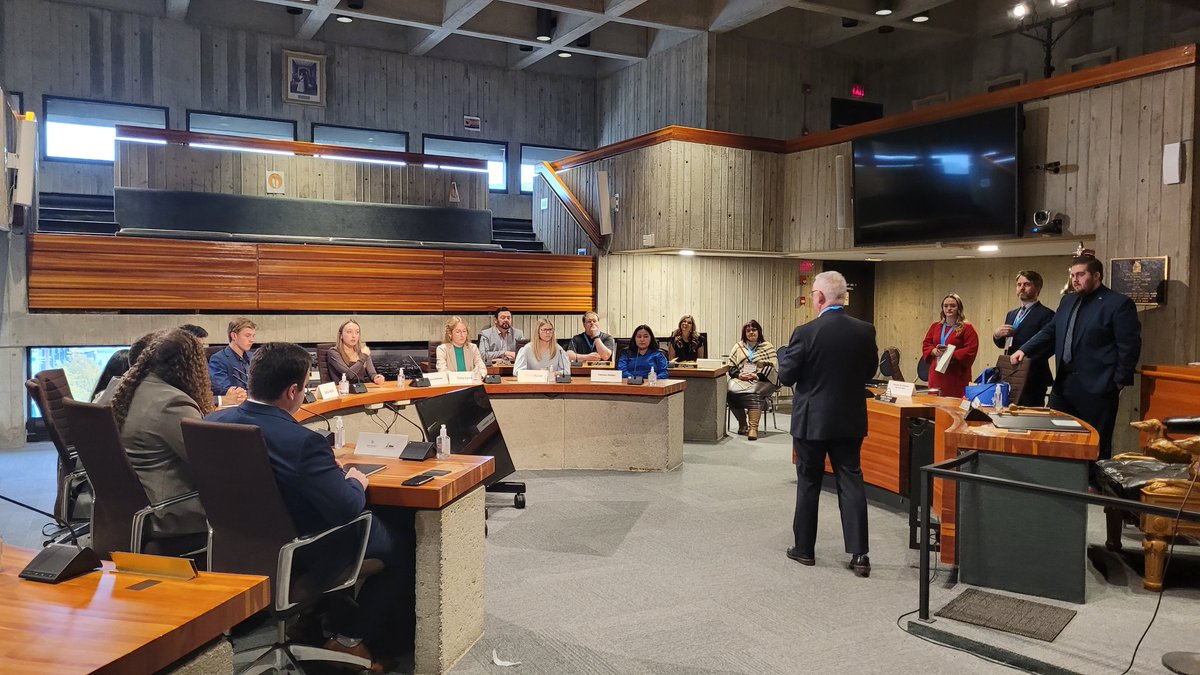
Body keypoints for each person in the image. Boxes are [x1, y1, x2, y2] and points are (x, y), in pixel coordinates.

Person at [207, 342, 414, 666]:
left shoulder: (213, 423)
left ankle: (314, 625)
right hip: (302, 550)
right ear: (293, 391)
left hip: (237, 550)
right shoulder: (303, 442)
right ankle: (352, 639)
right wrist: (355, 481)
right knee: (404, 535)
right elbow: (347, 507)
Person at [778, 271, 878, 577]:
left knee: (809, 483)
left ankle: (805, 550)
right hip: (849, 419)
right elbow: (869, 371)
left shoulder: (806, 332)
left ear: (819, 298)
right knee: (851, 481)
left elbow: (787, 376)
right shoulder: (865, 330)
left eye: (812, 296)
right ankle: (860, 555)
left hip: (812, 422)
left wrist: (784, 353)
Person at [1012, 256, 1142, 459]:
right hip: (1064, 384)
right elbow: (1051, 330)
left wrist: (1118, 382)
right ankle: (1062, 482)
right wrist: (1025, 349)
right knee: (1056, 436)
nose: (1075, 279)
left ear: (1096, 276)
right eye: (1073, 275)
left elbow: (1129, 346)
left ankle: (1092, 487)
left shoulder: (1118, 303)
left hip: (1098, 386)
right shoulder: (1068, 300)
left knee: (1095, 443)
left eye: (1081, 274)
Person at [110, 329, 213, 538]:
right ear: (192, 366)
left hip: (121, 506)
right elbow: (209, 466)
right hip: (166, 511)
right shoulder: (173, 404)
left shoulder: (118, 388)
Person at [992, 271, 1055, 406]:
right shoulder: (1012, 314)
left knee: (1029, 415)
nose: (1021, 288)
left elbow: (1048, 346)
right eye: (1019, 284)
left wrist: (1025, 360)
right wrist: (997, 335)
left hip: (1033, 375)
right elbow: (1004, 344)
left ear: (1038, 288)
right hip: (1010, 372)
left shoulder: (1046, 314)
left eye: (1026, 284)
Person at [727, 319, 779, 441]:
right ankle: (742, 423)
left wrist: (756, 376)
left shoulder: (767, 346)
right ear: (744, 333)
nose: (751, 332)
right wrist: (739, 375)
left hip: (764, 379)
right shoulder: (738, 346)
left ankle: (753, 427)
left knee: (755, 392)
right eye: (748, 330)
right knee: (730, 391)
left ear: (759, 331)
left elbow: (773, 367)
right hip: (742, 378)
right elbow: (731, 367)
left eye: (754, 330)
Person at [920, 294, 978, 399]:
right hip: (937, 373)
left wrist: (951, 354)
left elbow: (971, 349)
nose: (949, 309)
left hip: (956, 374)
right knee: (935, 404)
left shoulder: (967, 328)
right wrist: (933, 351)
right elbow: (926, 344)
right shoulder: (935, 326)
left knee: (953, 406)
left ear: (959, 308)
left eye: (952, 306)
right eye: (946, 306)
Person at [208, 317, 255, 403]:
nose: (252, 340)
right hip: (234, 405)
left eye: (253, 336)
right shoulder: (218, 359)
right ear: (234, 336)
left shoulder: (253, 357)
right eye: (247, 336)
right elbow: (223, 389)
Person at [327, 320, 385, 386]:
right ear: (341, 335)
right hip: (343, 392)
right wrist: (363, 357)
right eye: (349, 332)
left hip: (361, 390)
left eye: (357, 332)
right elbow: (348, 375)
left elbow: (372, 374)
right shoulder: (333, 352)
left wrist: (376, 378)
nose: (354, 335)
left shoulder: (362, 351)